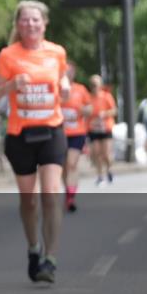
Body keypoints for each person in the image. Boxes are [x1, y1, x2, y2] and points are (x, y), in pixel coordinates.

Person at [0, 0, 69, 285]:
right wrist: (11, 86)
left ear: (45, 23)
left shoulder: (56, 53)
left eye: (36, 20)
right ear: (18, 25)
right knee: (29, 200)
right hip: (20, 135)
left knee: (50, 195)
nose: (30, 25)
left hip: (52, 131)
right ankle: (34, 247)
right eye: (25, 20)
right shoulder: (8, 55)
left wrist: (66, 87)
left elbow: (63, 86)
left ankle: (51, 259)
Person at [60, 62, 91, 209]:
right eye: (66, 71)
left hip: (77, 132)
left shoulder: (81, 89)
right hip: (59, 133)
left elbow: (89, 108)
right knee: (64, 167)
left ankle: (71, 196)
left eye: (71, 71)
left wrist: (83, 110)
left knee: (72, 163)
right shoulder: (57, 89)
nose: (68, 74)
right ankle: (68, 191)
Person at [88, 75, 117, 185]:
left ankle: (109, 169)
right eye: (92, 84)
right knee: (96, 153)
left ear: (100, 85)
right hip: (94, 128)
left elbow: (114, 111)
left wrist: (105, 114)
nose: (93, 87)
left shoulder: (106, 96)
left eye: (95, 84)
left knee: (105, 154)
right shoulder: (88, 97)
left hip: (106, 128)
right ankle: (100, 176)